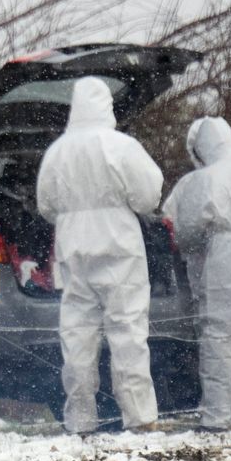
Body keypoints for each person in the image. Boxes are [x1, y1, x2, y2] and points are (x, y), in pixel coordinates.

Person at [35, 76, 164, 434]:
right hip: (120, 249)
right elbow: (148, 196)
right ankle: (139, 419)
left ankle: (80, 420)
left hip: (73, 251)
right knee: (128, 333)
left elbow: (46, 205)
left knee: (76, 338)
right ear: (107, 105)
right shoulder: (121, 146)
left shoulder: (57, 151)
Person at [162, 116, 231, 430]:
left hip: (224, 256)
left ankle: (217, 416)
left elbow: (186, 232)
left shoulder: (204, 180)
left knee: (219, 335)